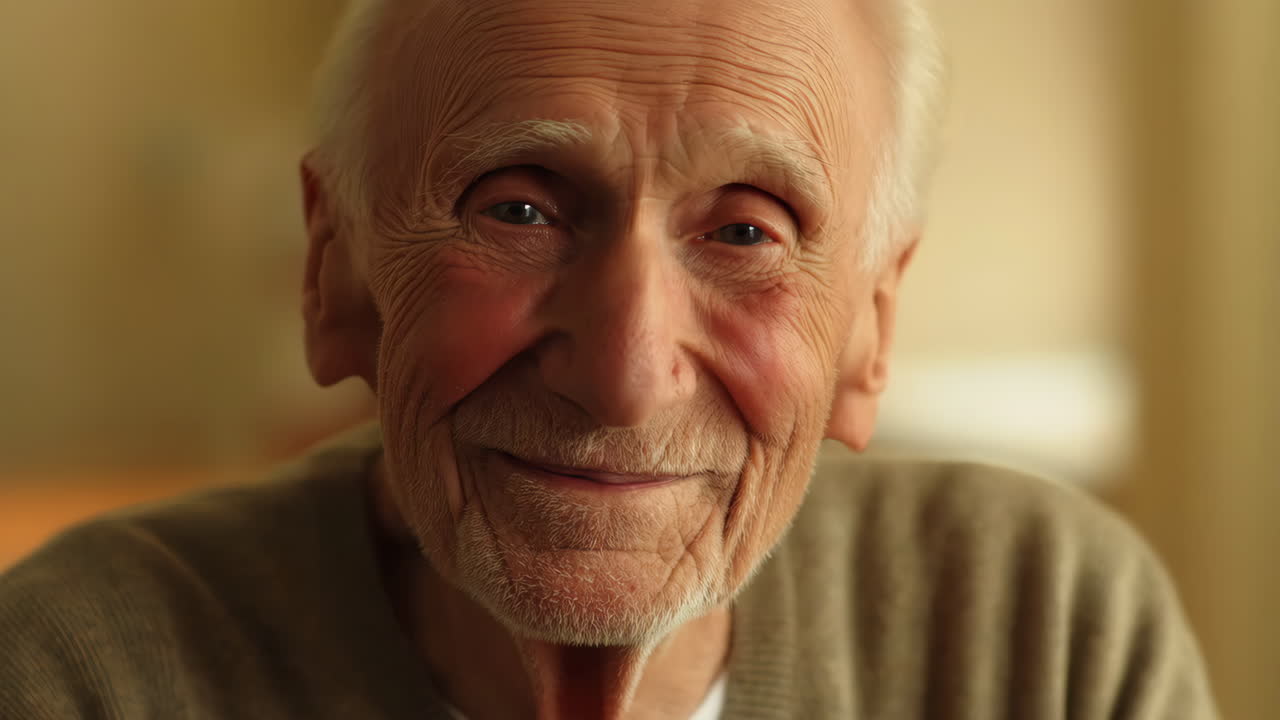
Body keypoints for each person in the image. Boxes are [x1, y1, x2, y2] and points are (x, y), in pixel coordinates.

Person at [0, 0, 1219, 717]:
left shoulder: (1036, 640)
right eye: (517, 209)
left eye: (746, 231)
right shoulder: (93, 672)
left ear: (870, 327)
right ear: (338, 271)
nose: (626, 374)